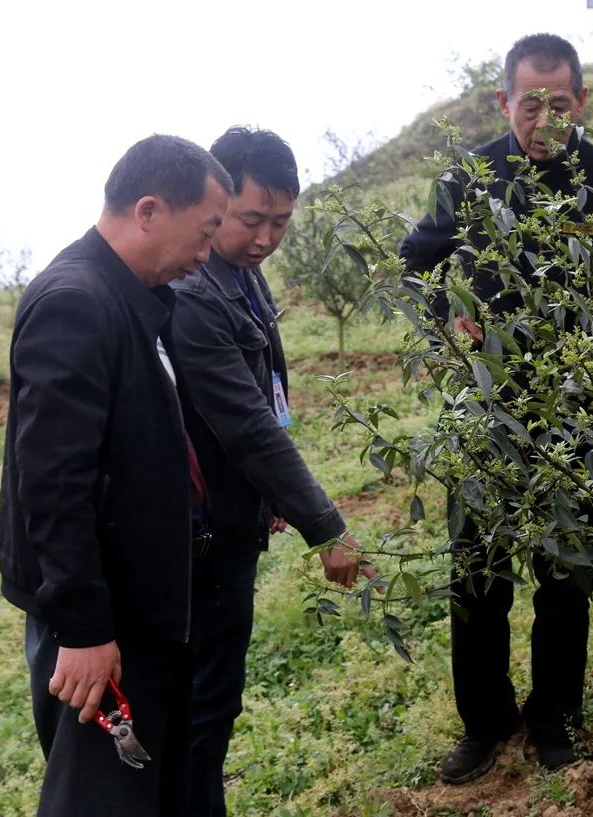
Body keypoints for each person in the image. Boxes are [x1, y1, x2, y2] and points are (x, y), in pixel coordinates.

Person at [400, 33, 593, 782]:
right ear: (501, 101)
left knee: (564, 574)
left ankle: (555, 717)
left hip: (577, 413)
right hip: (485, 412)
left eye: (558, 102)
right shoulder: (469, 178)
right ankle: (484, 721)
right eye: (527, 103)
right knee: (477, 575)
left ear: (581, 101)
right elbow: (413, 265)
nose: (543, 118)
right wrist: (448, 314)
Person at [0, 134, 232, 817]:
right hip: (100, 623)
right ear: (150, 210)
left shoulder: (134, 298)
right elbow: (53, 481)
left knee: (150, 786)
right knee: (101, 797)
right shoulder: (77, 302)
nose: (205, 254)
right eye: (206, 231)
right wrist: (84, 628)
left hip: (141, 610)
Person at [169, 126, 376, 817]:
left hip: (237, 512)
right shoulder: (198, 293)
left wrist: (272, 494)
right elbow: (248, 427)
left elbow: (269, 394)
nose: (264, 237)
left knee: (214, 699)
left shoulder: (243, 276)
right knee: (204, 701)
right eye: (251, 219)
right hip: (203, 532)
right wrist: (329, 526)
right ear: (216, 200)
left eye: (280, 222)